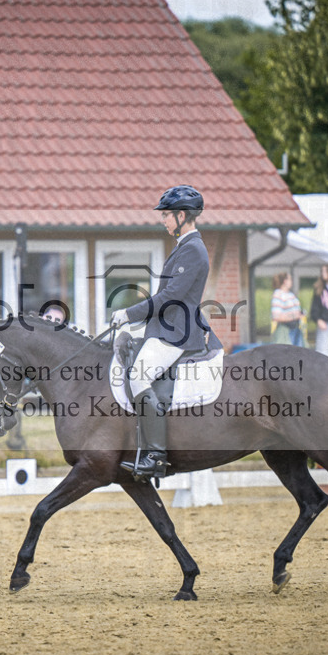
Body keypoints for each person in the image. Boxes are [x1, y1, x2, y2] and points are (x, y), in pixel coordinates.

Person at [110, 185, 222, 480]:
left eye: (167, 215)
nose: (163, 220)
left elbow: (169, 297)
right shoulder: (184, 247)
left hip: (177, 333)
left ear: (182, 215)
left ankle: (156, 455)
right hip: (166, 327)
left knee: (137, 376)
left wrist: (128, 314)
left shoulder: (194, 250)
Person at [269, 272, 304, 347]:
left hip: (296, 329)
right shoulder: (278, 294)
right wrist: (293, 316)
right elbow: (276, 316)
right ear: (285, 281)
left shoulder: (291, 295)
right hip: (285, 330)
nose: (291, 282)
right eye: (290, 279)